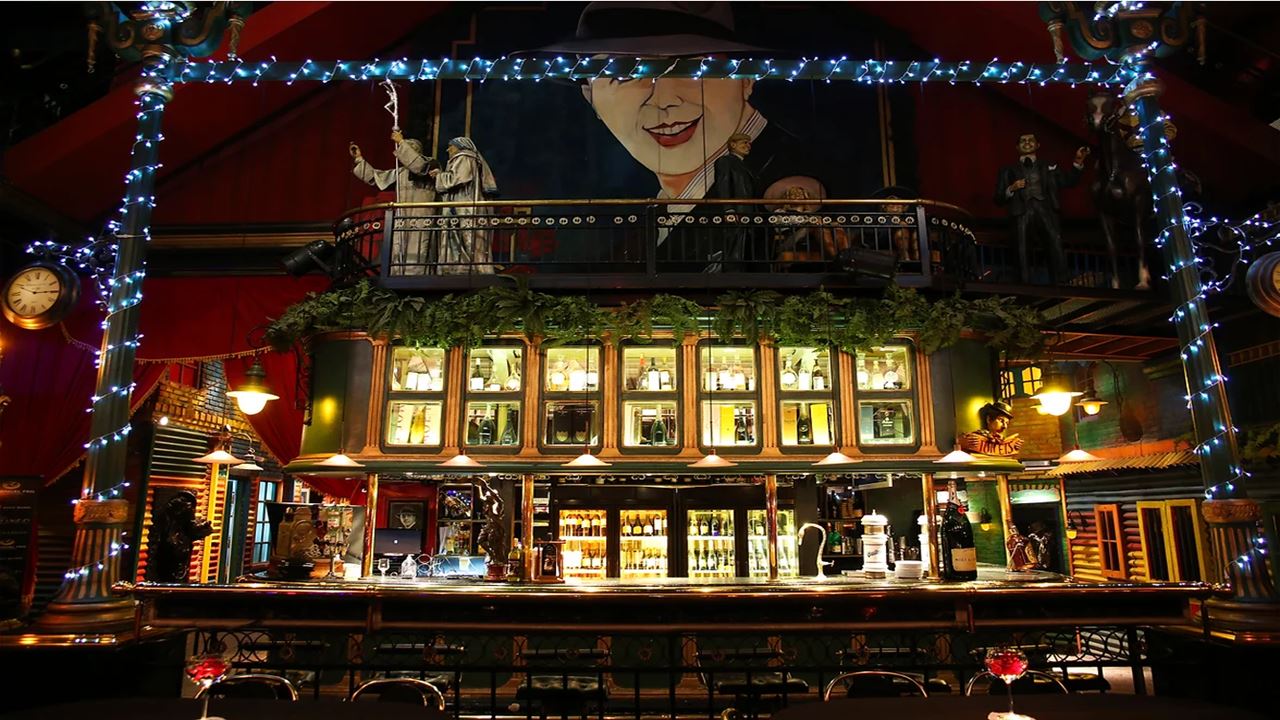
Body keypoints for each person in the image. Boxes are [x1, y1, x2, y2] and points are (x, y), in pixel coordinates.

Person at [994, 133, 1089, 284]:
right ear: (1017, 147)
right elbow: (998, 199)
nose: (1027, 143)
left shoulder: (1049, 166)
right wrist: (1011, 188)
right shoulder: (1007, 170)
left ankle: (1060, 284)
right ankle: (1024, 286)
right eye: (1023, 141)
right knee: (1021, 249)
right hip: (1020, 212)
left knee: (1055, 244)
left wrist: (1078, 162)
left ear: (1038, 145)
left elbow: (1068, 181)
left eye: (1030, 140)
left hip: (1046, 210)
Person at [350, 131, 438, 276]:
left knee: (419, 245)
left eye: (409, 148)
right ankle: (398, 273)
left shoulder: (430, 164)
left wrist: (401, 141)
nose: (402, 151)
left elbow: (418, 167)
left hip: (422, 214)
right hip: (402, 216)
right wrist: (359, 159)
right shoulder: (400, 172)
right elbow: (376, 178)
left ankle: (418, 275)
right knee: (400, 246)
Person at [429, 137, 499, 275]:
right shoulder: (463, 159)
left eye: (451, 146)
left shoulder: (465, 157)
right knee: (461, 240)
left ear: (460, 146)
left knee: (471, 241)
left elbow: (458, 178)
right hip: (459, 206)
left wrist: (439, 175)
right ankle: (461, 269)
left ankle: (481, 272)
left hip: (466, 205)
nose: (448, 149)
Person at [959, 401, 1024, 457]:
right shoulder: (975, 437)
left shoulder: (1003, 441)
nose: (1005, 426)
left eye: (1007, 423)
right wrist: (962, 442)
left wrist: (1013, 447)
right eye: (1001, 420)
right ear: (989, 419)